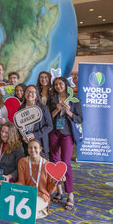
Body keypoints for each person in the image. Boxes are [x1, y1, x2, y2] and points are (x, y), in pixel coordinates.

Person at [49, 76, 83, 210]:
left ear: (66, 84)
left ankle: (70, 195)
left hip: (67, 133)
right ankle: (59, 191)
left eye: (60, 84)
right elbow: (48, 116)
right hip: (54, 132)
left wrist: (69, 112)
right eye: (56, 84)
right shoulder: (53, 99)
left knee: (66, 163)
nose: (58, 86)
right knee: (54, 162)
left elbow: (80, 118)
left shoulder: (75, 99)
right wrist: (57, 108)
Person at [17, 139, 63, 219]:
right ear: (27, 149)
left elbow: (49, 191)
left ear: (40, 149)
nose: (32, 150)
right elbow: (21, 182)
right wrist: (6, 184)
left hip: (41, 196)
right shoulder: (22, 162)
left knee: (26, 212)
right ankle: (41, 212)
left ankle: (41, 210)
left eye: (35, 147)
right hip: (27, 194)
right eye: (30, 148)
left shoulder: (47, 165)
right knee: (15, 210)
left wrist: (55, 182)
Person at [18, 85, 53, 158]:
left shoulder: (43, 108)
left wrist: (34, 135)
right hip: (25, 142)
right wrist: (23, 136)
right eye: (28, 91)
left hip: (40, 141)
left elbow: (49, 126)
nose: (30, 94)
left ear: (36, 94)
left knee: (41, 166)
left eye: (33, 92)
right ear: (24, 94)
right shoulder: (20, 109)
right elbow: (19, 126)